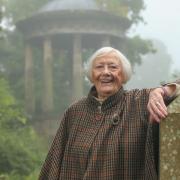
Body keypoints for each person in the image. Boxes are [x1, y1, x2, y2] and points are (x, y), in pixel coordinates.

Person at [39, 47, 180, 180]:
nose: (106, 72)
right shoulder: (74, 112)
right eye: (99, 67)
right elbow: (53, 163)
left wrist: (162, 91)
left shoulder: (140, 101)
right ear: (91, 75)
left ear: (123, 74)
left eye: (113, 67)